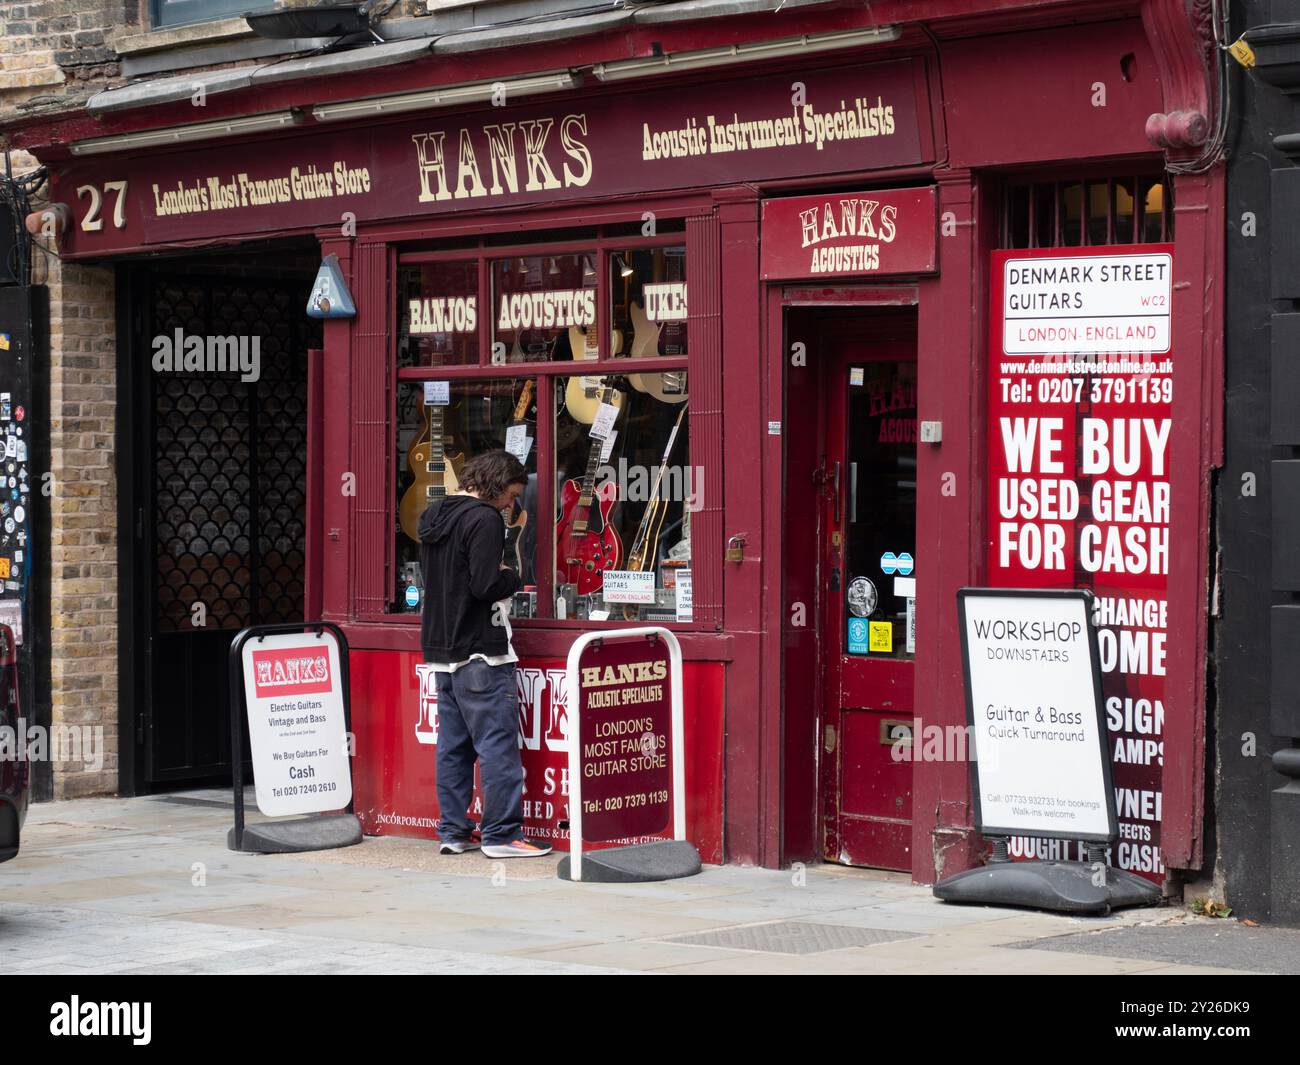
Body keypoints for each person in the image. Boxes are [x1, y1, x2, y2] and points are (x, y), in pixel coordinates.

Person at [419, 449, 552, 859]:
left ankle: (454, 831)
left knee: (453, 746)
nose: (512, 505)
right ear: (496, 485)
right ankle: (501, 835)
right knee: (497, 745)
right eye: (511, 495)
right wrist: (513, 575)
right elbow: (483, 585)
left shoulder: (434, 514)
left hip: (441, 647)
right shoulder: (484, 518)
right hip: (481, 649)